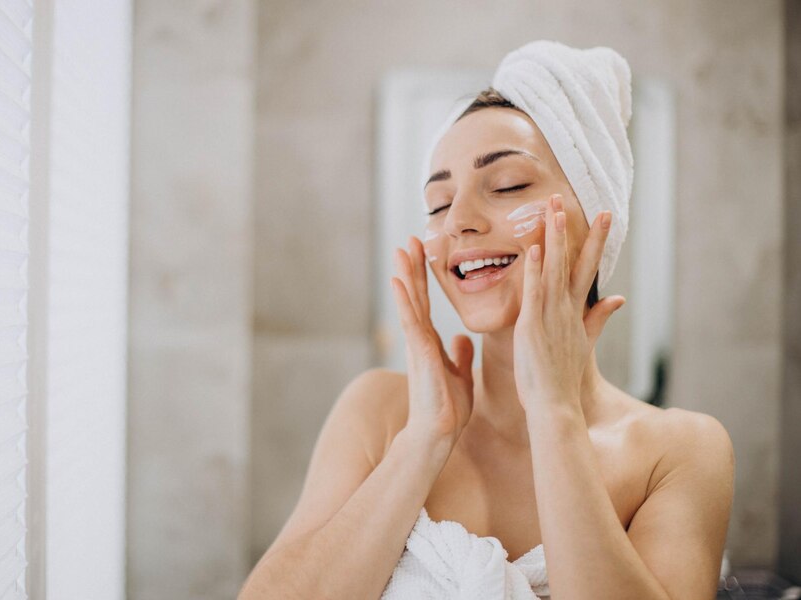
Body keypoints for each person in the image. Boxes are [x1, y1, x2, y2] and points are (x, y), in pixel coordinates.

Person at [238, 41, 735, 600]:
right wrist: (426, 438)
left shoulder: (679, 451)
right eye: (438, 204)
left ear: (598, 218)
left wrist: (555, 416)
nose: (458, 222)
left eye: (507, 187)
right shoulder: (379, 413)